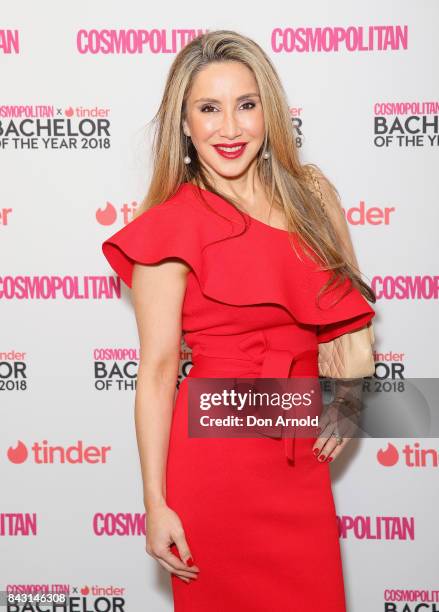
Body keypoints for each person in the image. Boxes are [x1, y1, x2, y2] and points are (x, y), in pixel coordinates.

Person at [102, 29, 376, 612]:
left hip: (298, 456)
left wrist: (349, 398)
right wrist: (156, 503)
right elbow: (155, 374)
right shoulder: (169, 226)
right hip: (214, 462)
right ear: (183, 122)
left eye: (246, 105)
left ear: (268, 111)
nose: (230, 128)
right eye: (208, 108)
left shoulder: (313, 198)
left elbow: (348, 321)